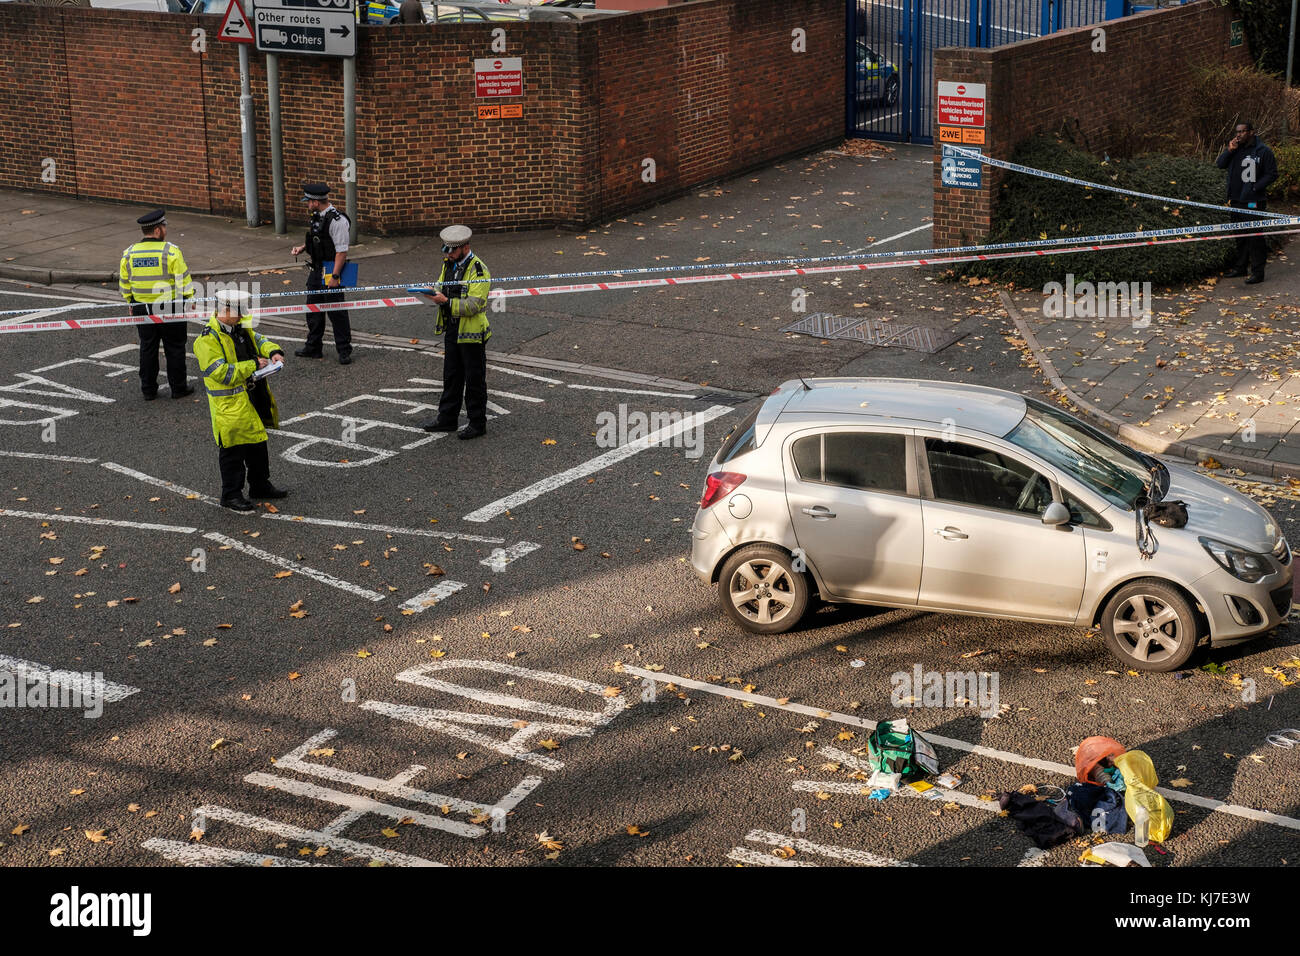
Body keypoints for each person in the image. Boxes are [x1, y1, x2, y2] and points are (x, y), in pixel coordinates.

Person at [194, 290, 289, 511]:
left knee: (257, 443)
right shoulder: (207, 340)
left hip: (249, 397)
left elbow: (258, 340)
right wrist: (254, 365)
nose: (243, 316)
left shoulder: (239, 328)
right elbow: (221, 373)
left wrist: (273, 350)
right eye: (239, 312)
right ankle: (231, 494)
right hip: (229, 405)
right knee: (233, 451)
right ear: (225, 310)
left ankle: (259, 485)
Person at [422, 225, 493, 440]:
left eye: (452, 250)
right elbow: (441, 285)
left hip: (471, 332)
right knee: (451, 376)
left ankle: (477, 423)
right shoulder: (449, 265)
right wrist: (432, 292)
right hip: (452, 328)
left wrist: (445, 301)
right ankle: (447, 419)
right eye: (446, 250)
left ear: (465, 247)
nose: (449, 254)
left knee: (474, 379)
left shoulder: (479, 270)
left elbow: (475, 305)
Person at [118, 208, 195, 400]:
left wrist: (130, 302)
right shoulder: (171, 251)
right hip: (169, 307)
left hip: (141, 307)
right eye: (164, 226)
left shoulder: (129, 254)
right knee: (175, 347)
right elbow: (183, 280)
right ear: (158, 230)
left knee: (148, 347)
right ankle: (178, 388)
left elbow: (124, 284)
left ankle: (148, 390)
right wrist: (189, 299)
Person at [290, 183, 353, 364]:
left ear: (316, 202)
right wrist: (303, 248)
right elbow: (319, 239)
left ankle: (344, 350)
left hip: (331, 269)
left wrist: (334, 277)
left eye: (308, 202)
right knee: (313, 310)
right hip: (316, 268)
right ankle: (313, 347)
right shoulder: (317, 216)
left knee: (336, 311)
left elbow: (341, 251)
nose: (307, 205)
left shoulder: (337, 221)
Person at [1216, 120, 1278, 284]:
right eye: (1237, 132)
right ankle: (1240, 268)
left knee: (1255, 237)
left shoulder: (1263, 151)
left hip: (1253, 201)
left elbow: (1272, 174)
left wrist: (1256, 187)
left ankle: (1258, 272)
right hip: (1235, 200)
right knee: (1240, 236)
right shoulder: (1235, 149)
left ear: (1251, 132)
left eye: (1242, 131)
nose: (1239, 134)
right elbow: (1220, 165)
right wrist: (1229, 151)